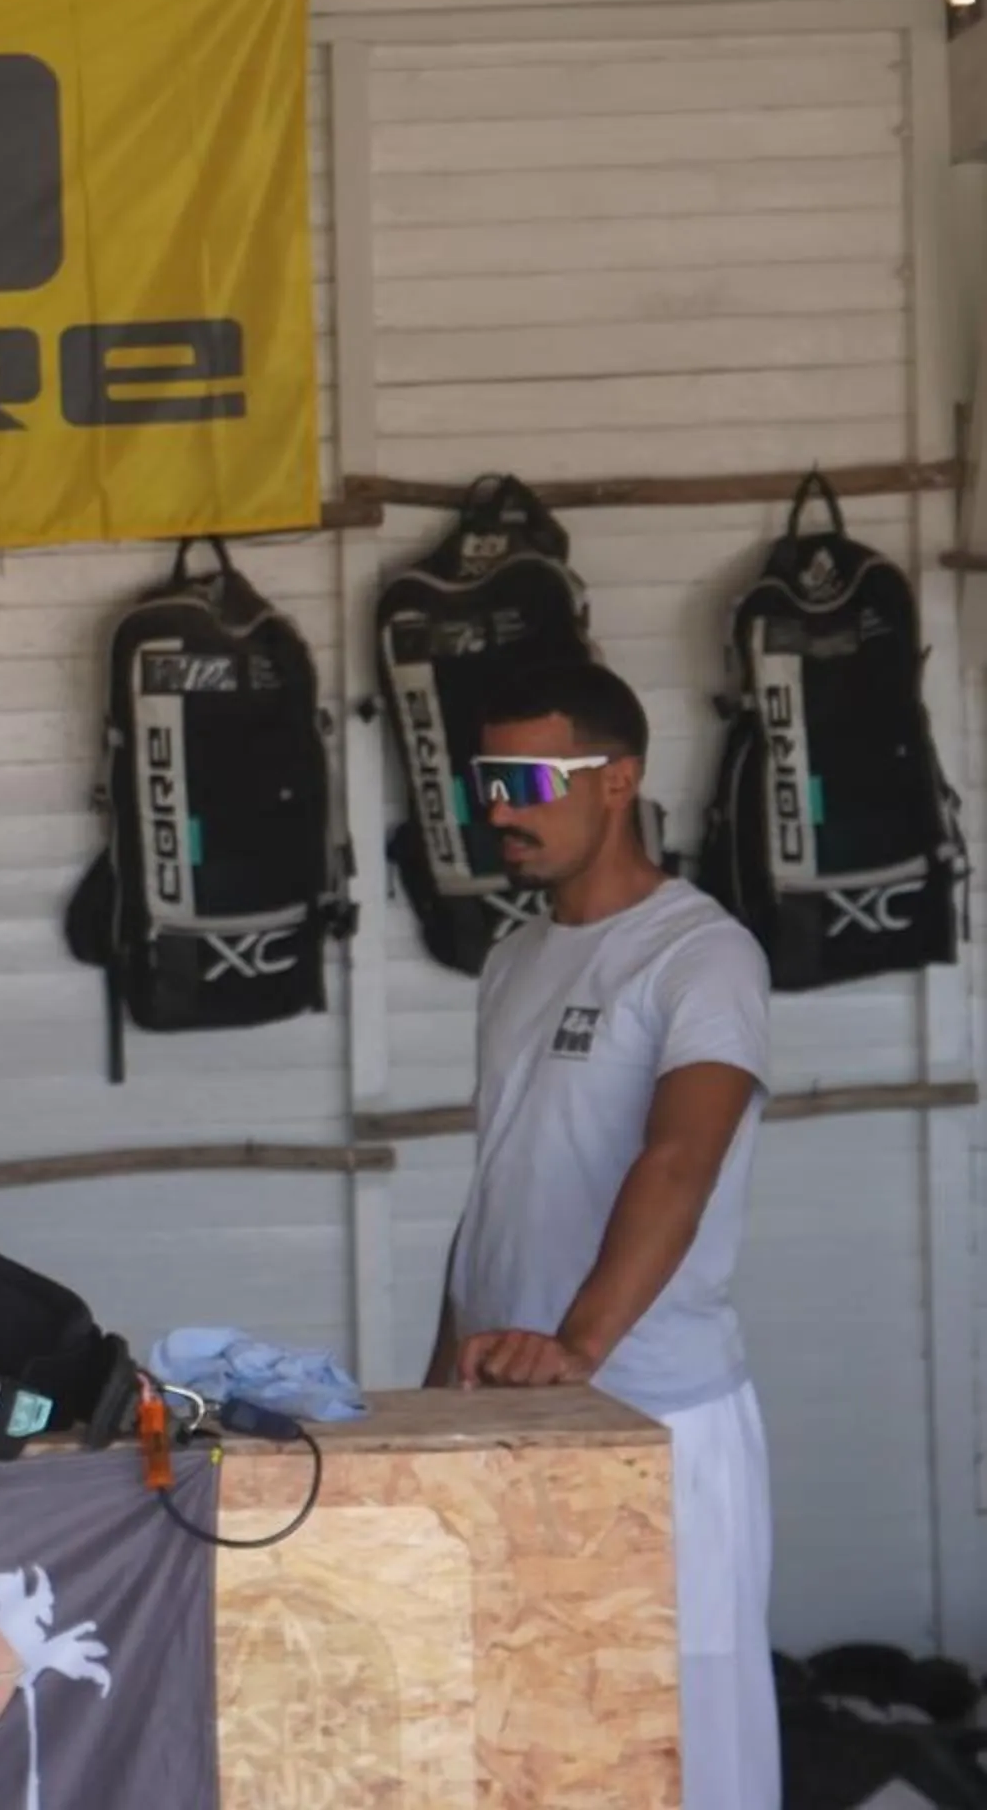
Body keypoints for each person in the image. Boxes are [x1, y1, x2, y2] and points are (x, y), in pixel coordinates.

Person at [425, 657, 777, 1810]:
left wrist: (578, 1348)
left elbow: (680, 1156)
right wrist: (439, 1388)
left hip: (658, 1412)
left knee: (684, 1732)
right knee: (539, 1733)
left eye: (529, 778)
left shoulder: (701, 954)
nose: (501, 810)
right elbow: (502, 1188)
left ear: (617, 778)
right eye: (485, 782)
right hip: (513, 1410)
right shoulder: (514, 955)